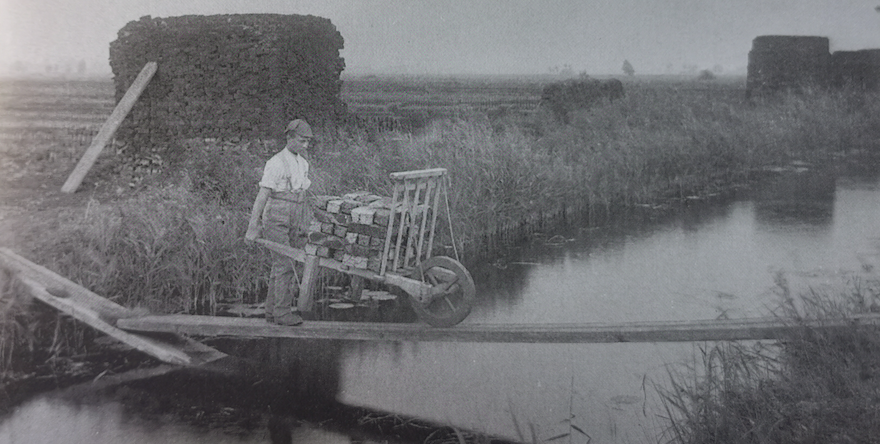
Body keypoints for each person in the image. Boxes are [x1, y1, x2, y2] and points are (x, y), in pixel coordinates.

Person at [245, 119, 314, 326]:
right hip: (277, 215)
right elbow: (262, 195)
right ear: (289, 138)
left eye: (308, 141)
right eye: (302, 141)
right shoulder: (275, 163)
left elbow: (303, 192)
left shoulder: (303, 163)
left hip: (297, 213)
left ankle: (271, 311)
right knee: (285, 263)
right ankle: (282, 313)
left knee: (282, 264)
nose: (305, 145)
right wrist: (253, 225)